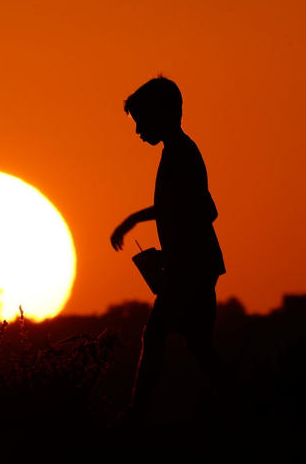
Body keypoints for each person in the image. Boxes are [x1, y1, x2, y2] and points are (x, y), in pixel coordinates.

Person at [110, 76, 226, 419]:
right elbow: (190, 207)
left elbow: (204, 210)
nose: (138, 131)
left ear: (164, 113)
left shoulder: (182, 154)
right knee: (198, 345)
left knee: (156, 334)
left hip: (193, 269)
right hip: (192, 265)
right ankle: (242, 405)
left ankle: (137, 415)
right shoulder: (178, 152)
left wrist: (135, 219)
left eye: (141, 121)